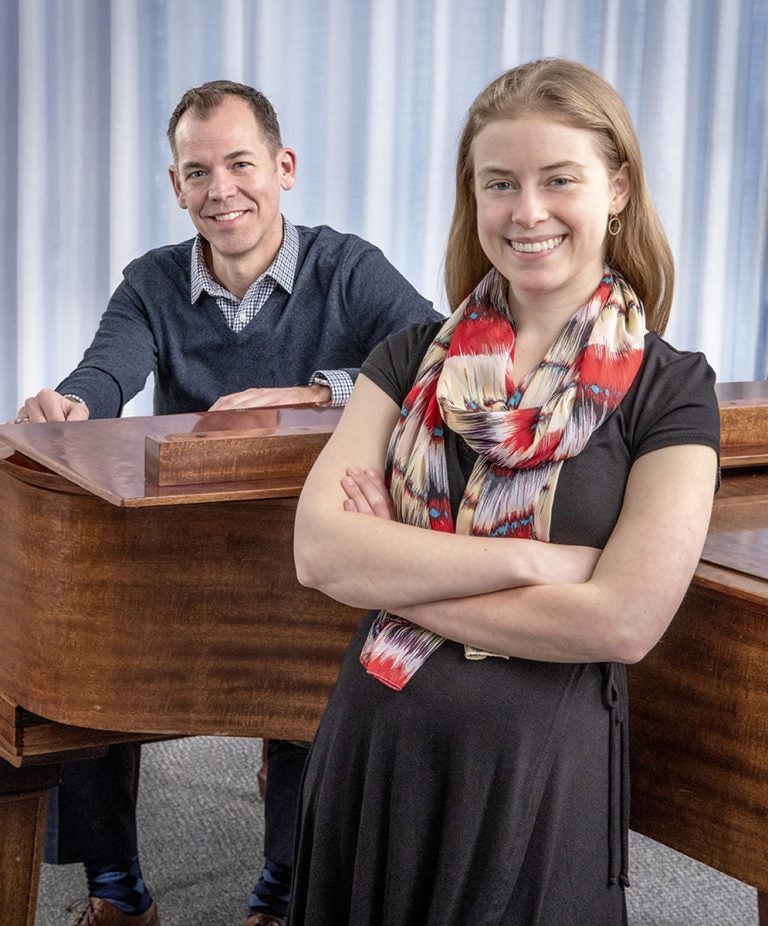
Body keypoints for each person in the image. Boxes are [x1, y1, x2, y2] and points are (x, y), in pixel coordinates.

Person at [290, 58, 721, 925]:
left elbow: (622, 621)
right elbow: (319, 552)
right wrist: (528, 560)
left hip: (541, 764)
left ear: (618, 189)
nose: (527, 211)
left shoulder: (672, 389)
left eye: (559, 179)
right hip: (379, 741)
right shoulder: (410, 354)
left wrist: (393, 577)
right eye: (500, 184)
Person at [14, 80, 438, 926]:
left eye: (241, 164)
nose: (221, 190)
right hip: (189, 535)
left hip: (308, 534)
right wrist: (70, 403)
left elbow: (436, 354)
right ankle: (115, 890)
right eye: (198, 171)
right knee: (85, 654)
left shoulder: (347, 266)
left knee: (301, 668)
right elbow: (108, 369)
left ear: (281, 168)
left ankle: (282, 887)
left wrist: (312, 391)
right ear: (177, 186)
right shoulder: (151, 280)